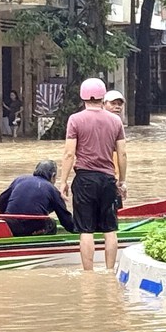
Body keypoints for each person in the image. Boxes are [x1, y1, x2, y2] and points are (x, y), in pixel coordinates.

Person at [59, 78, 127, 271]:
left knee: (86, 230)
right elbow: (122, 153)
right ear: (102, 97)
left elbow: (69, 153)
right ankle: (110, 271)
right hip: (108, 180)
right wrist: (121, 181)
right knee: (110, 229)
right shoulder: (115, 121)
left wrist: (63, 181)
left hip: (84, 180)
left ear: (82, 97)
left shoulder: (75, 120)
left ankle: (88, 274)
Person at [0, 160, 75, 237]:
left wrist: (6, 217)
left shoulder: (19, 180)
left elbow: (1, 201)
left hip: (11, 225)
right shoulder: (51, 189)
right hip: (32, 227)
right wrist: (76, 229)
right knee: (52, 224)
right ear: (53, 176)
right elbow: (64, 217)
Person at [103, 90, 126, 208]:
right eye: (113, 103)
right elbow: (121, 154)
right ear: (103, 104)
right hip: (108, 177)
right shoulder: (109, 124)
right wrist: (120, 181)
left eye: (119, 104)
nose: (117, 107)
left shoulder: (117, 124)